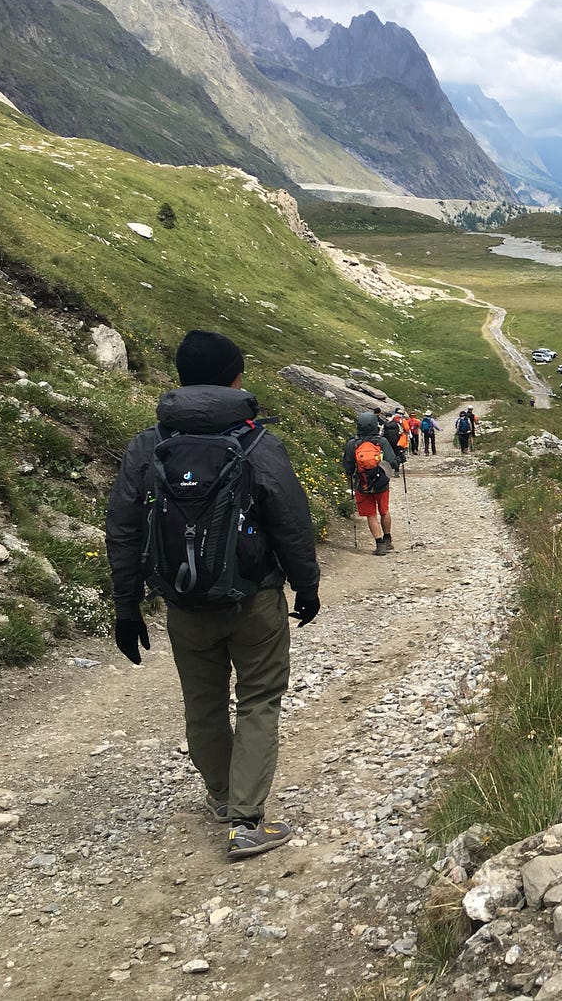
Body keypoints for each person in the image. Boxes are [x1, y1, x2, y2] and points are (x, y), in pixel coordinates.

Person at [105, 330, 321, 861]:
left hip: (183, 604)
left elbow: (125, 530)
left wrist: (126, 605)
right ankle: (246, 821)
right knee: (258, 700)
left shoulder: (147, 445)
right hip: (254, 599)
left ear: (179, 378)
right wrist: (307, 584)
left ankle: (223, 797)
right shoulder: (256, 443)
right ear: (236, 377)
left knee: (203, 704)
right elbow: (291, 521)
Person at [343, 411, 399, 554]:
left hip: (363, 484)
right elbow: (392, 461)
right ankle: (388, 540)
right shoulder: (381, 441)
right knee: (384, 511)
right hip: (381, 483)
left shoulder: (352, 444)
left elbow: (348, 467)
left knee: (371, 514)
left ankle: (379, 544)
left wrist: (351, 473)